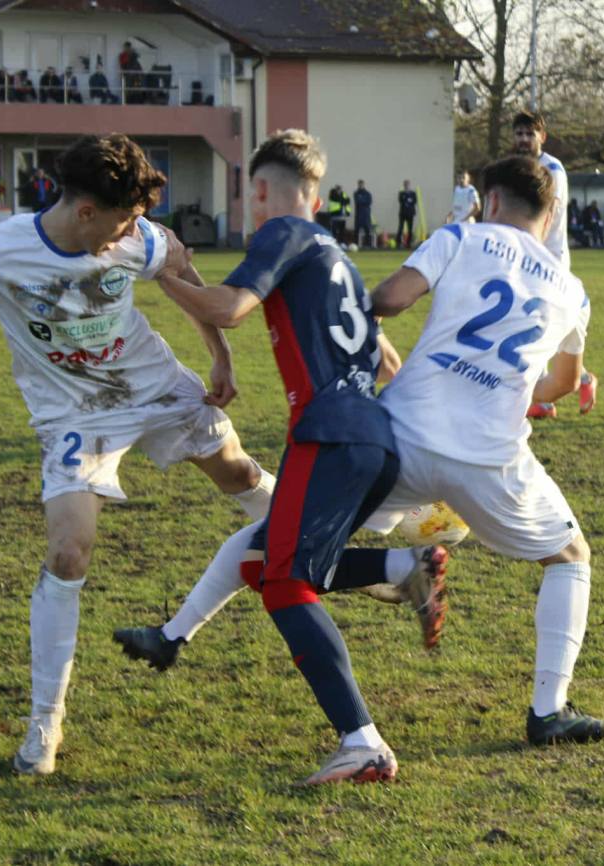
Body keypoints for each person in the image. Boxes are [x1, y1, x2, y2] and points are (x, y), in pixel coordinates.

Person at [0, 134, 276, 776]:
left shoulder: (137, 238)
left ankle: (352, 555)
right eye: (125, 220)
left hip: (153, 385)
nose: (135, 231)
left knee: (239, 474)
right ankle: (45, 725)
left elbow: (183, 271)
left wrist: (221, 356)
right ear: (85, 211)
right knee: (69, 551)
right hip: (74, 416)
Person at [136, 129, 446, 785]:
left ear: (261, 192)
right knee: (264, 553)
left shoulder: (284, 232)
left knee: (283, 582)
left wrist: (162, 272)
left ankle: (362, 741)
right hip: (376, 437)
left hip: (327, 434)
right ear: (318, 194)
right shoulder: (340, 257)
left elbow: (231, 308)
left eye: (252, 195)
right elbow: (387, 360)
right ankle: (401, 566)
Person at [369, 155, 604, 749]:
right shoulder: (573, 292)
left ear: (488, 202)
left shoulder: (460, 237)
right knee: (570, 556)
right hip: (489, 457)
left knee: (302, 537)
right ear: (550, 213)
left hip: (402, 432)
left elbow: (390, 299)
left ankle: (390, 569)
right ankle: (548, 712)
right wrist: (504, 383)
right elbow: (562, 384)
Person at [512, 110, 598, 415]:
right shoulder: (517, 168)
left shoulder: (553, 170)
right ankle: (553, 394)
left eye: (530, 134)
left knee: (539, 327)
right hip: (525, 260)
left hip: (549, 262)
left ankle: (569, 385)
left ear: (542, 137)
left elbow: (549, 213)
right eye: (519, 134)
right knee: (536, 327)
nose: (524, 139)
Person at [396, 179, 418, 249]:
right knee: (400, 228)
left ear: (409, 185)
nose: (406, 186)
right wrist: (408, 200)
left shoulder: (413, 193)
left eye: (407, 185)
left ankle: (408, 243)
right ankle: (398, 242)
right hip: (403, 213)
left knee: (410, 229)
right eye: (405, 185)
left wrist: (407, 200)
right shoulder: (401, 193)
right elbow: (401, 200)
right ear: (404, 185)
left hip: (410, 213)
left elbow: (414, 201)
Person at [353, 179, 373, 248]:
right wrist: (363, 201)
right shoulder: (356, 193)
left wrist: (362, 201)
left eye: (362, 184)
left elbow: (369, 202)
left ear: (364, 185)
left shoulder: (367, 193)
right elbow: (358, 201)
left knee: (367, 230)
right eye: (359, 184)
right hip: (358, 215)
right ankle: (355, 244)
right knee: (356, 231)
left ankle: (368, 245)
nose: (360, 186)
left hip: (366, 215)